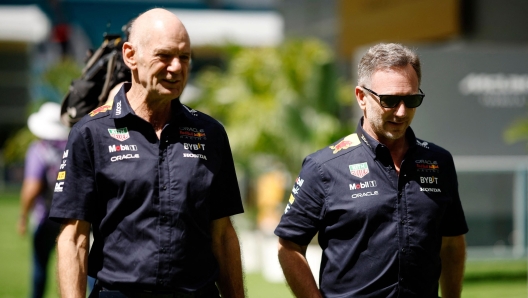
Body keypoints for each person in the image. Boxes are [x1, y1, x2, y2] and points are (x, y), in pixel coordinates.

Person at [49, 8, 245, 298]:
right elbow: (74, 239)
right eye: (164, 56)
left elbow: (223, 235)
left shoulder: (210, 134)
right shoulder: (91, 133)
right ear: (130, 56)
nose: (176, 67)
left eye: (185, 57)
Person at [274, 43, 468, 298]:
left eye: (411, 100)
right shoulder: (323, 167)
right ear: (361, 97)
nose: (401, 112)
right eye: (389, 100)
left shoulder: (438, 162)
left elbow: (452, 243)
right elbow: (289, 246)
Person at [17, 102, 69, 298]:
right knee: (81, 265)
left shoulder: (38, 149)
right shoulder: (73, 146)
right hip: (73, 217)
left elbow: (32, 187)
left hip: (46, 217)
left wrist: (23, 216)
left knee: (40, 266)